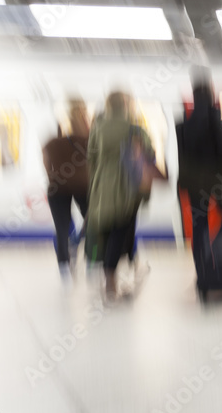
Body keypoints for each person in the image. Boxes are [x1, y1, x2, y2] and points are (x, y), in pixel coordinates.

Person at [86, 91, 154, 301]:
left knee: (108, 232)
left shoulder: (97, 128)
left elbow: (91, 158)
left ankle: (110, 280)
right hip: (128, 189)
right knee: (120, 232)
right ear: (126, 106)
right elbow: (149, 156)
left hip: (101, 187)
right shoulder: (134, 129)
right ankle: (111, 284)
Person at [177, 74, 222, 277]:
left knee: (199, 226)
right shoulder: (217, 122)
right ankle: (218, 253)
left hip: (194, 182)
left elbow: (182, 158)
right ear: (211, 95)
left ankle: (202, 269)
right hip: (218, 180)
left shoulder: (184, 125)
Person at [43, 99, 91, 279]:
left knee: (61, 227)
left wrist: (53, 179)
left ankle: (64, 266)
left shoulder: (51, 143)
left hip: (57, 188)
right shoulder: (86, 142)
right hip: (82, 187)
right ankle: (87, 253)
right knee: (92, 221)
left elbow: (46, 165)